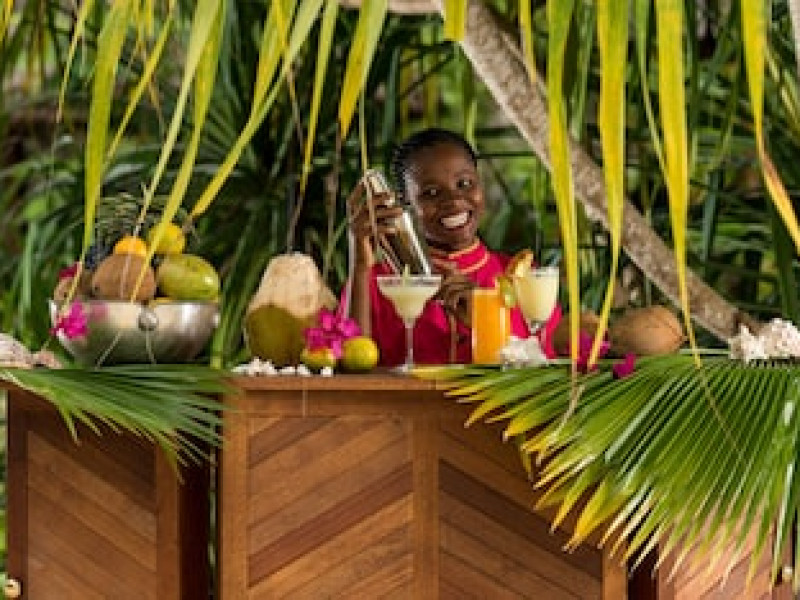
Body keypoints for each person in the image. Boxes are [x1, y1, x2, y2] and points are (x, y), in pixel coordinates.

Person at [346, 127, 559, 366]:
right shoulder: (376, 282)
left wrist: (483, 320)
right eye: (431, 193)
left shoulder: (527, 279)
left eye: (464, 183)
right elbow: (349, 366)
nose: (454, 200)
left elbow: (542, 370)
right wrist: (360, 265)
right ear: (405, 205)